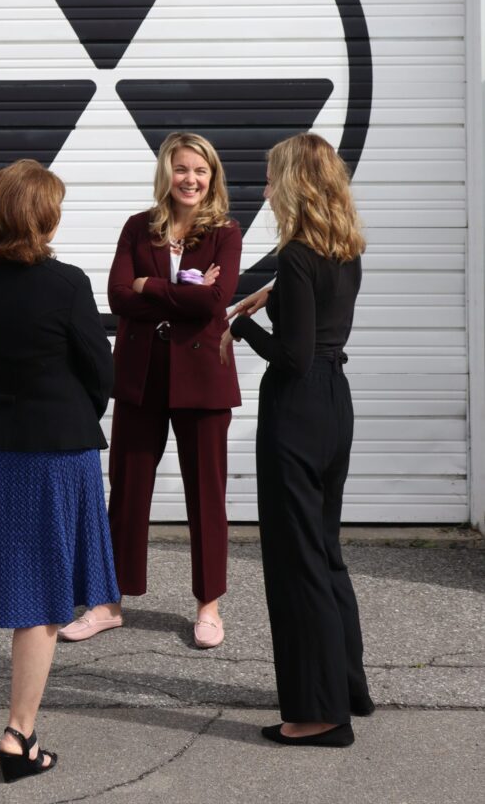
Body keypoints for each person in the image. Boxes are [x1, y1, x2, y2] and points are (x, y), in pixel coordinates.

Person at [0, 159, 117, 782]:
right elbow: (102, 373)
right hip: (51, 454)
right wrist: (71, 410)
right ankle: (18, 736)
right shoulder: (65, 283)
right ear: (42, 216)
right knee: (41, 601)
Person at [59, 132, 241, 648]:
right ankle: (109, 601)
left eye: (200, 171)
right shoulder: (139, 227)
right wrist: (183, 291)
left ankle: (209, 605)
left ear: (212, 177)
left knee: (207, 494)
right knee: (128, 489)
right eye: (182, 169)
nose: (191, 180)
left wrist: (151, 288)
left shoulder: (225, 232)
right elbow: (119, 294)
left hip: (203, 381)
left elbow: (217, 302)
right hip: (141, 377)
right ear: (167, 173)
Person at [223, 132, 373, 747]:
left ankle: (318, 715)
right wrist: (274, 296)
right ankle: (347, 688)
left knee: (297, 560)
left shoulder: (297, 255)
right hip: (336, 404)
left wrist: (240, 327)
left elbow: (292, 356)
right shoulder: (345, 248)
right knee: (325, 550)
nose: (263, 188)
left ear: (292, 185)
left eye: (269, 178)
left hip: (299, 409)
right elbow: (318, 327)